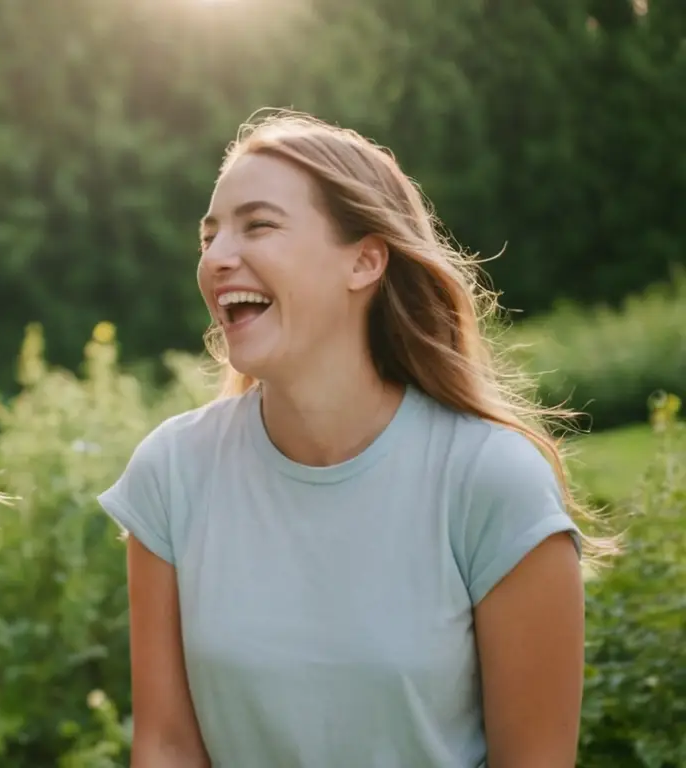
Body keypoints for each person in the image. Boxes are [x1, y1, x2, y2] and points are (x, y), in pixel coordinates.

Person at [97, 111, 613, 767]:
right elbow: (168, 747)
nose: (218, 258)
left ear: (365, 261)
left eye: (258, 225)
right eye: (209, 236)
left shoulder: (491, 480)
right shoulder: (171, 472)